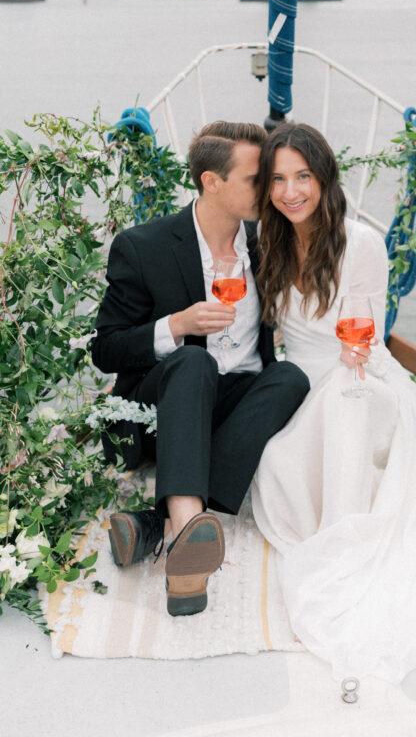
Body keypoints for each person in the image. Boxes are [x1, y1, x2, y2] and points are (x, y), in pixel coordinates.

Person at [251, 123, 416, 683]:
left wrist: (347, 375)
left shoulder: (360, 242)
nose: (291, 192)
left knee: (345, 403)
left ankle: (348, 531)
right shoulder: (269, 241)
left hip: (355, 371)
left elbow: (361, 337)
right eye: (279, 180)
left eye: (303, 177)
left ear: (324, 177)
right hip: (295, 376)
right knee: (276, 463)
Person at [91, 121, 309, 617]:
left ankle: (158, 525)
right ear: (212, 182)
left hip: (231, 408)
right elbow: (106, 349)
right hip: (163, 409)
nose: (272, 190)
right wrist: (176, 324)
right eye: (260, 179)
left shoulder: (266, 241)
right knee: (192, 357)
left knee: (290, 378)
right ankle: (189, 519)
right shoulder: (142, 246)